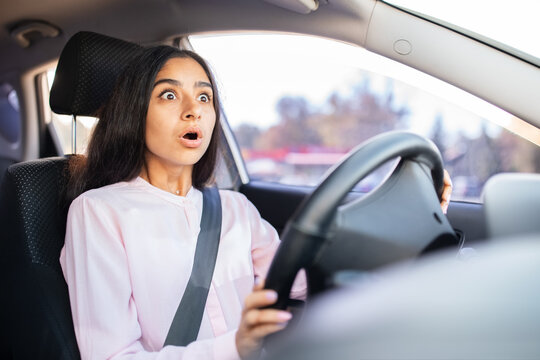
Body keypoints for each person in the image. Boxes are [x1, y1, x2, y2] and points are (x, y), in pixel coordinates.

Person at [60, 45, 452, 360]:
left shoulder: (235, 211)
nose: (193, 109)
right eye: (168, 94)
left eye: (204, 96)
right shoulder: (98, 212)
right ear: (135, 113)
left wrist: (416, 217)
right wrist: (234, 347)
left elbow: (302, 281)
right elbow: (110, 356)